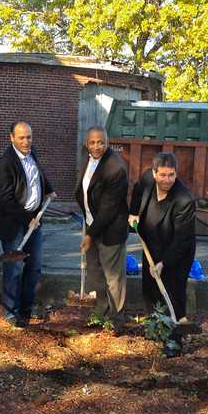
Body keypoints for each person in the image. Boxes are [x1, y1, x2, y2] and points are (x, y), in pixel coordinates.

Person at [129, 152, 196, 354]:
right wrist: (133, 214)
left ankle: (174, 341)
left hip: (177, 251)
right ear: (154, 173)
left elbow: (181, 239)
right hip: (151, 244)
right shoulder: (147, 180)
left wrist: (164, 263)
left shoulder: (184, 199)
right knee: (150, 289)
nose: (167, 180)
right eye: (163, 175)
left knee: (173, 292)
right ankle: (157, 327)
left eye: (171, 175)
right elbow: (137, 191)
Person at [0, 121, 55, 328]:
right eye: (21, 137)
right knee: (14, 268)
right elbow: (5, 199)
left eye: (29, 137)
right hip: (14, 224)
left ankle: (26, 309)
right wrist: (27, 218)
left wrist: (49, 189)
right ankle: (11, 312)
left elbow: (38, 175)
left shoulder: (31, 152)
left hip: (34, 220)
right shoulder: (5, 163)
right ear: (11, 138)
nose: (26, 141)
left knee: (34, 267)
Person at [74, 126, 128, 328]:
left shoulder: (116, 168)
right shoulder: (87, 158)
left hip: (110, 229)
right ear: (86, 144)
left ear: (107, 142)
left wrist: (89, 235)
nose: (97, 146)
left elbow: (108, 209)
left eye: (101, 142)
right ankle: (100, 312)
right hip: (92, 223)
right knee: (95, 274)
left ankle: (117, 320)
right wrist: (88, 224)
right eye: (92, 142)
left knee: (113, 278)